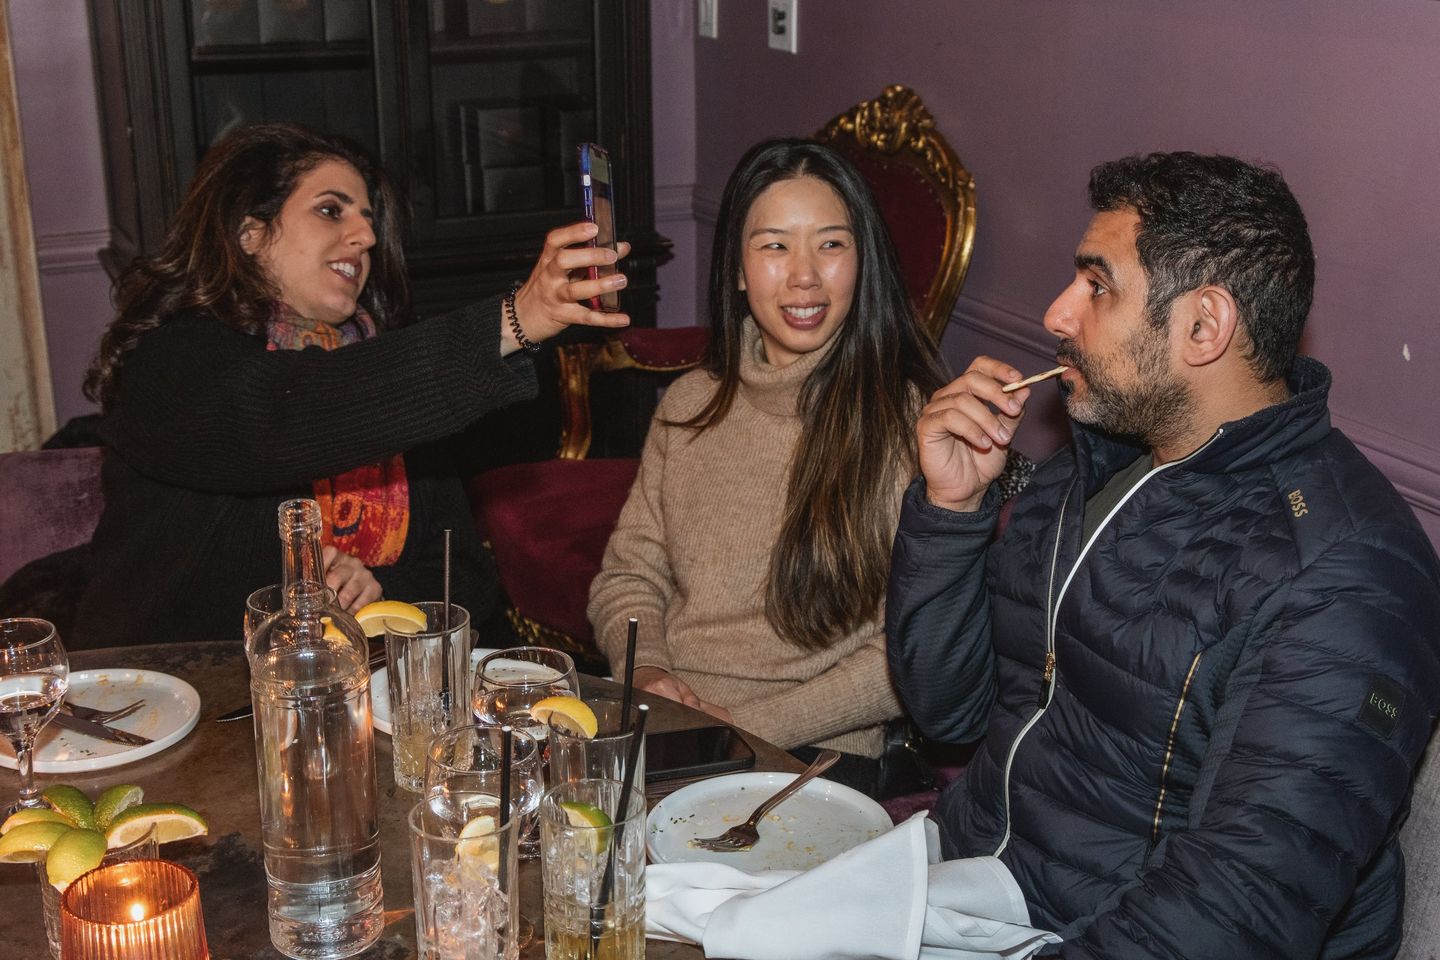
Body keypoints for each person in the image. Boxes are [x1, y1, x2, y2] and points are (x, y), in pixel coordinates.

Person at [887, 151, 1440, 957]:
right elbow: (949, 714)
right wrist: (951, 509)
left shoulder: (1349, 571)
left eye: (1097, 285)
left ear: (1204, 326)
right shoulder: (1092, 460)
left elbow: (1236, 911)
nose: (1056, 313)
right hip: (970, 876)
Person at [71, 122, 629, 649]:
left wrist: (379, 590)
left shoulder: (382, 369)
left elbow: (466, 577)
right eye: (330, 210)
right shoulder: (171, 361)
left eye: (366, 220)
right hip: (179, 690)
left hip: (350, 691)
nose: (365, 236)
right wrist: (512, 321)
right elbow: (292, 413)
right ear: (249, 233)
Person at [588, 138, 952, 796]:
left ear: (863, 261)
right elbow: (630, 574)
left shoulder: (908, 425)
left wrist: (740, 729)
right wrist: (646, 674)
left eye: (831, 244)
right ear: (737, 269)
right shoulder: (691, 403)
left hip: (814, 752)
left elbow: (902, 657)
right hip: (674, 730)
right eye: (775, 246)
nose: (804, 276)